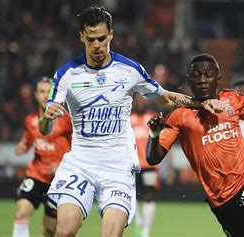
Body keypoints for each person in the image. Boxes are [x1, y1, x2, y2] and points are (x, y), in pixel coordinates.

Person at [41, 6, 222, 237]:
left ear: (111, 35)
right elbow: (45, 128)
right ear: (81, 38)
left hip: (117, 166)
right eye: (91, 40)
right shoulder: (66, 74)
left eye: (102, 39)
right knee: (64, 232)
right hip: (80, 164)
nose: (97, 45)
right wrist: (47, 118)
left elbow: (165, 98)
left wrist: (200, 103)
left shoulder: (129, 70)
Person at [146, 54, 244, 237]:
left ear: (218, 79)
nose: (202, 80)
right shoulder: (180, 116)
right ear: (188, 80)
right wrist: (154, 135)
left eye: (208, 75)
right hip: (222, 199)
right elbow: (153, 158)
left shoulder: (232, 99)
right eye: (196, 75)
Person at [12, 77, 72, 237]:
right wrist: (21, 148)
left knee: (49, 230)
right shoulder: (30, 119)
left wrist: (61, 165)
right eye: (42, 91)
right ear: (35, 94)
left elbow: (79, 148)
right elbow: (27, 142)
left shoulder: (66, 120)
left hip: (58, 180)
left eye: (49, 91)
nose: (45, 95)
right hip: (36, 175)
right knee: (21, 213)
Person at [130, 96, 172, 237]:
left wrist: (169, 166)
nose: (141, 103)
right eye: (138, 100)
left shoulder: (153, 118)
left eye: (143, 100)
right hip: (132, 165)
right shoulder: (128, 119)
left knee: (149, 195)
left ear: (148, 102)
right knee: (130, 196)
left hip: (150, 165)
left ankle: (145, 231)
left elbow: (164, 140)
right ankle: (139, 222)